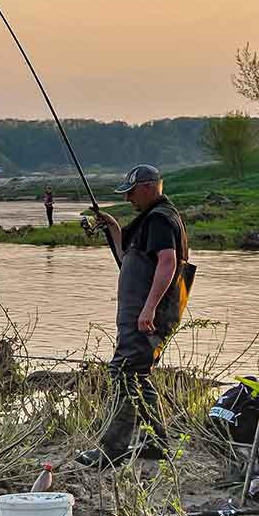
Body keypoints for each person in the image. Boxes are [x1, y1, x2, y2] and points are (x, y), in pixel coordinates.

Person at [76, 164, 192, 468]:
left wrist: (149, 307)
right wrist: (112, 225)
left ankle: (113, 449)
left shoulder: (160, 219)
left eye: (131, 192)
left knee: (125, 371)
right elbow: (126, 255)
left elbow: (167, 263)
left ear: (149, 187)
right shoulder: (153, 218)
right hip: (142, 311)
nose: (128, 198)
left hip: (148, 312)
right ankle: (156, 444)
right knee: (138, 373)